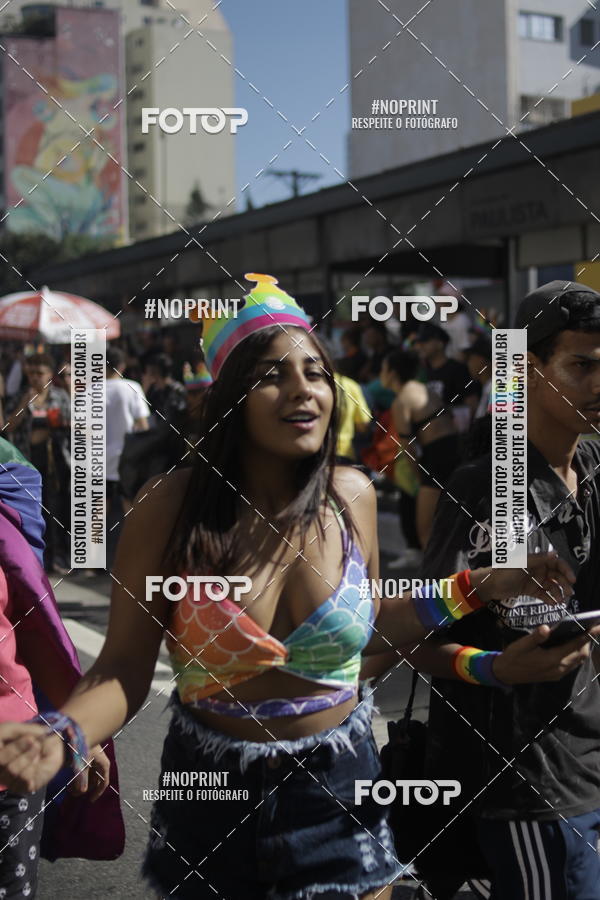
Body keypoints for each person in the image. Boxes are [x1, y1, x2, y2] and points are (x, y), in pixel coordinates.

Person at [0, 274, 574, 900]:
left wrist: (481, 591)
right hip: (212, 795)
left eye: (317, 372)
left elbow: (367, 634)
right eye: (272, 374)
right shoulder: (168, 508)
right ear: (230, 397)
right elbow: (122, 668)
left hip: (342, 787)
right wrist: (67, 732)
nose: (302, 390)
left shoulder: (352, 496)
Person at [406, 281, 600, 898]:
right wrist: (496, 668)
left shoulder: (594, 471)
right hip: (527, 789)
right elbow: (411, 642)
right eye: (583, 366)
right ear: (527, 368)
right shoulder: (487, 487)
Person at [380, 348, 460, 553]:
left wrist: (418, 477)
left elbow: (407, 448)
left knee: (426, 531)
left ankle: (437, 580)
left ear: (393, 373)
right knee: (446, 525)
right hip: (455, 450)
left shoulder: (401, 401)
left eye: (383, 369)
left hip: (437, 458)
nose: (380, 373)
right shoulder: (424, 389)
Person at [3, 353, 71, 574]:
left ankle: (59, 557)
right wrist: (25, 403)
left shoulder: (60, 396)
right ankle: (34, 559)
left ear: (50, 375)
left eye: (39, 373)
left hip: (55, 461)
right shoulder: (20, 396)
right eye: (31, 373)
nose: (35, 378)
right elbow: (7, 427)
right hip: (28, 463)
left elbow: (76, 423)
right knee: (33, 511)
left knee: (57, 509)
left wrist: (62, 422)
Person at [413, 322, 479, 428]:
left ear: (440, 344)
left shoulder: (457, 369)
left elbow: (472, 404)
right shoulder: (423, 372)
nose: (420, 346)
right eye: (419, 343)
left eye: (425, 341)